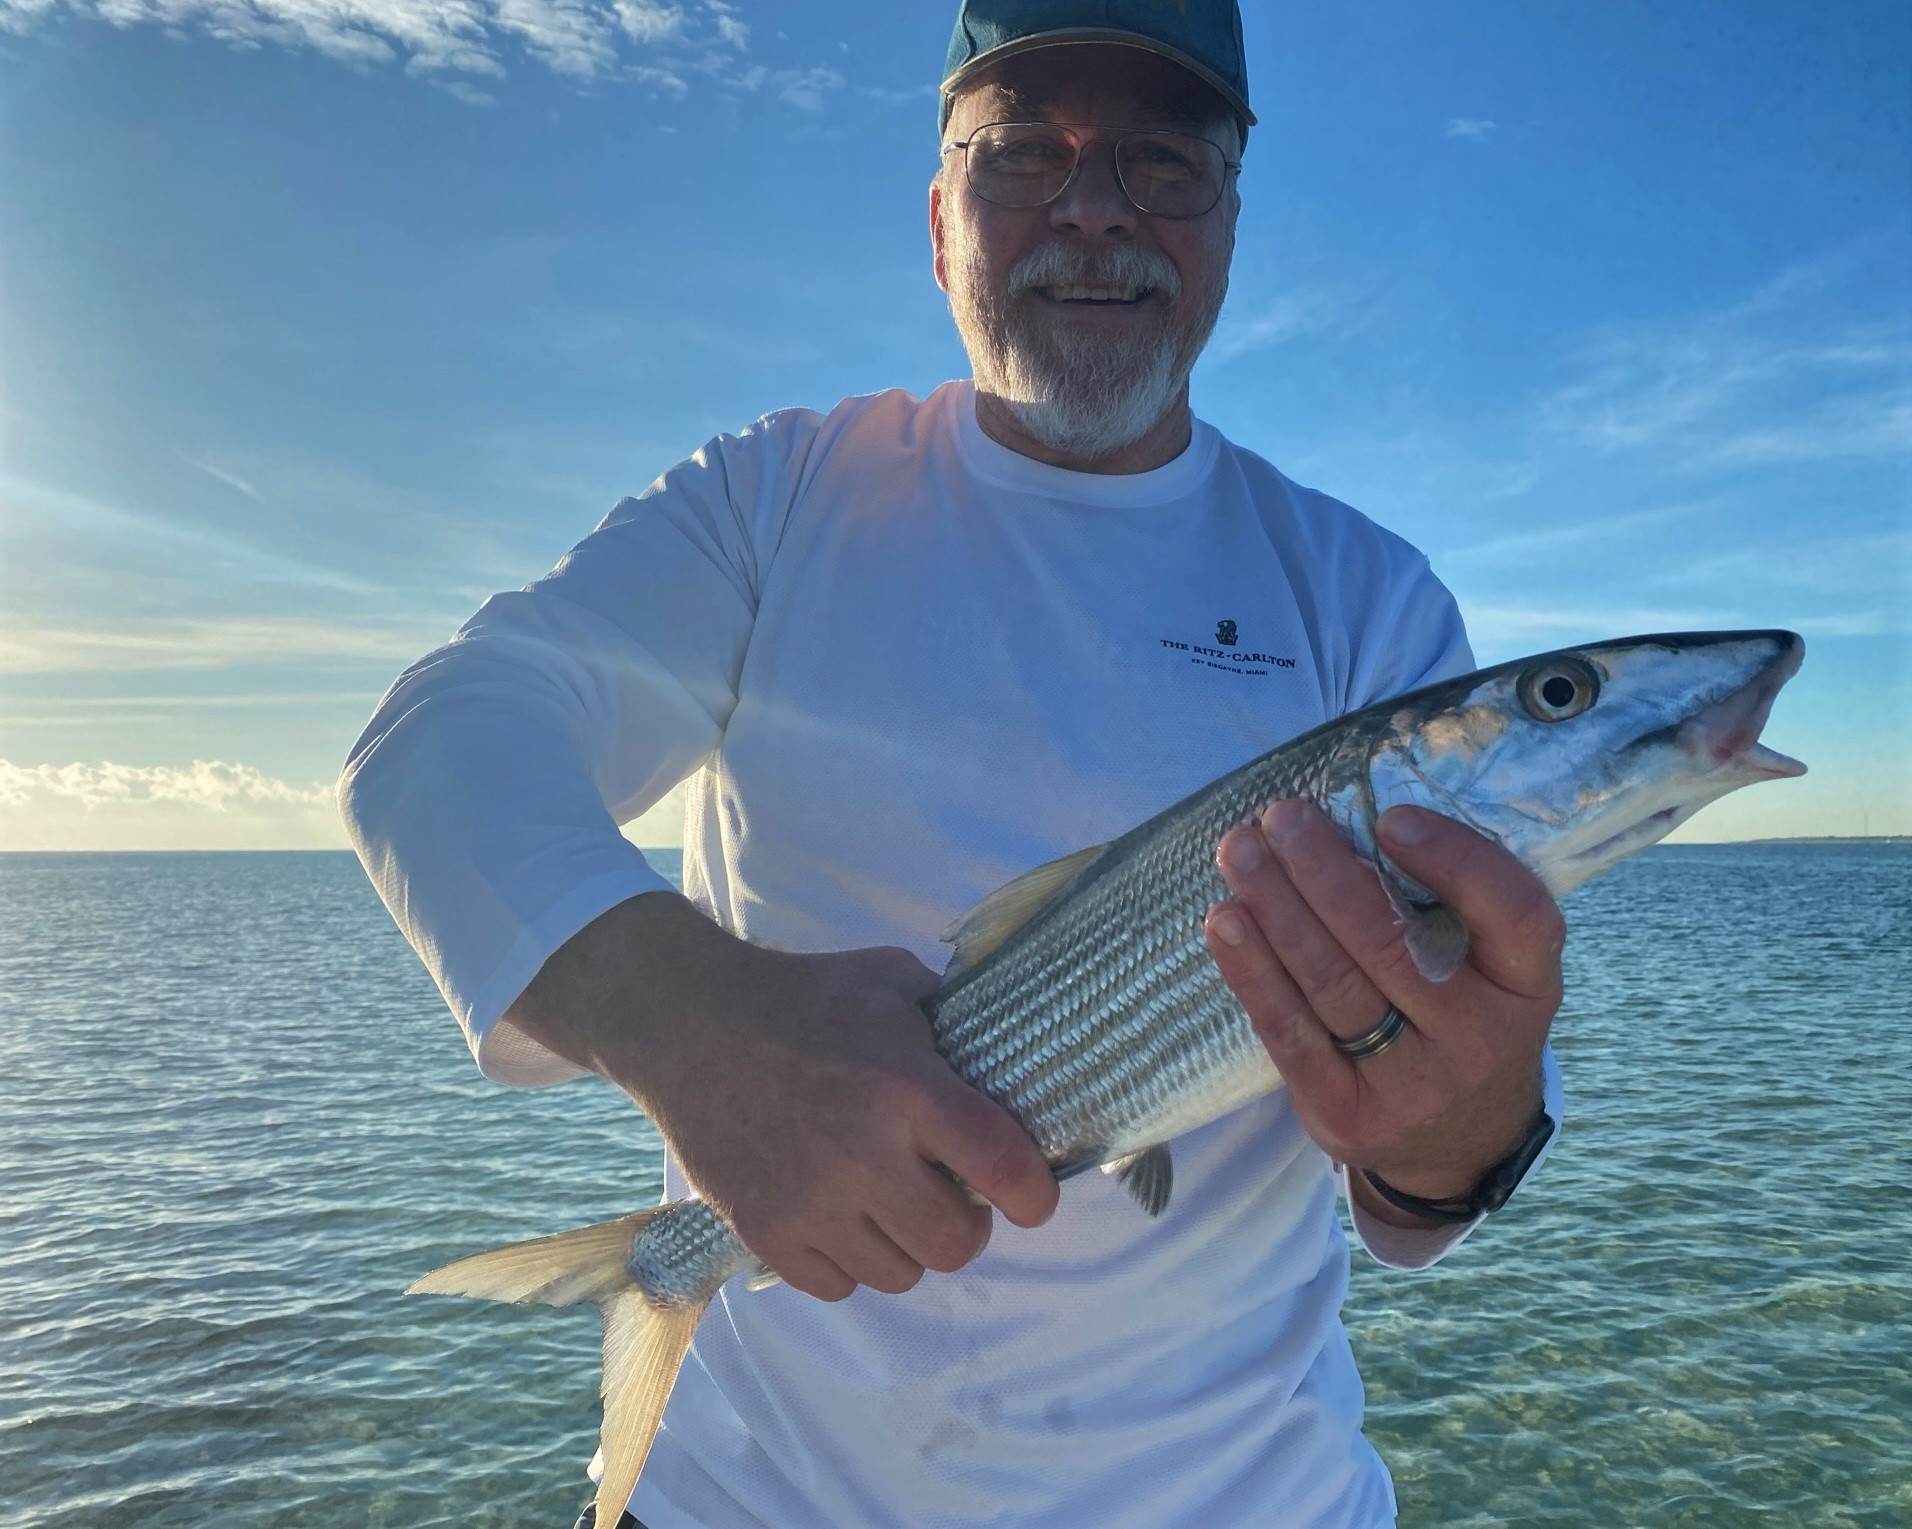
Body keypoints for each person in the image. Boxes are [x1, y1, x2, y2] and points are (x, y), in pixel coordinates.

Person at [341, 3, 1567, 1525]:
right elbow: (444, 738)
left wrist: (1463, 1116)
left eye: (1162, 160)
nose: (1095, 208)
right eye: (1023, 154)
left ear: (1231, 224)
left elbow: (1420, 1201)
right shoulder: (780, 495)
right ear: (939, 224)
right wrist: (691, 1022)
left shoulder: (1363, 595)